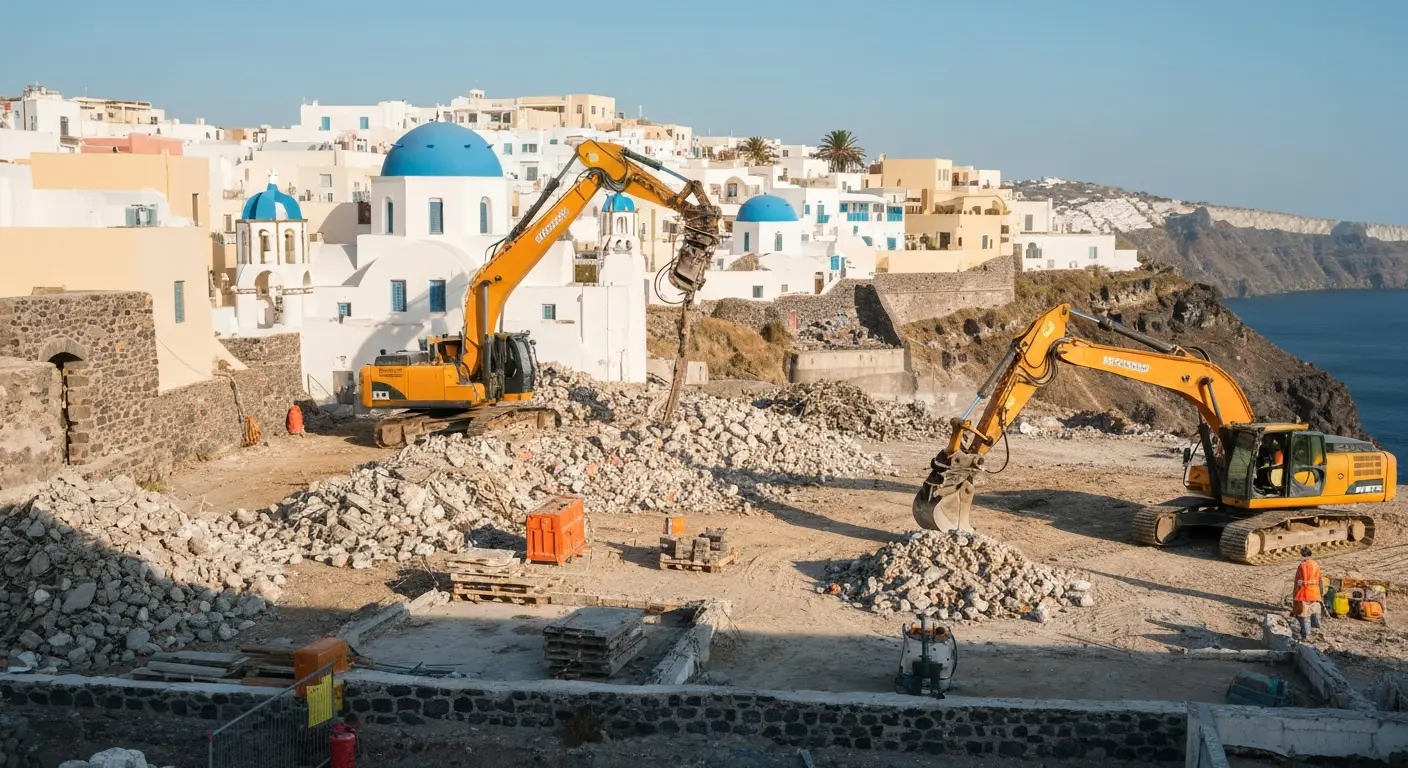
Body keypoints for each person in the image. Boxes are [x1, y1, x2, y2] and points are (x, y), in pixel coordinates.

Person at [1292, 547, 1323, 640]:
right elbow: (1320, 581)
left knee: (1304, 615)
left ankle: (1306, 634)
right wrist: (1321, 594)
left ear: (1302, 555)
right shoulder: (1316, 565)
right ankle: (1316, 625)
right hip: (1315, 592)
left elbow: (1297, 581)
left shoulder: (1302, 566)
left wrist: (1295, 595)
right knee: (1314, 610)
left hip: (1304, 592)